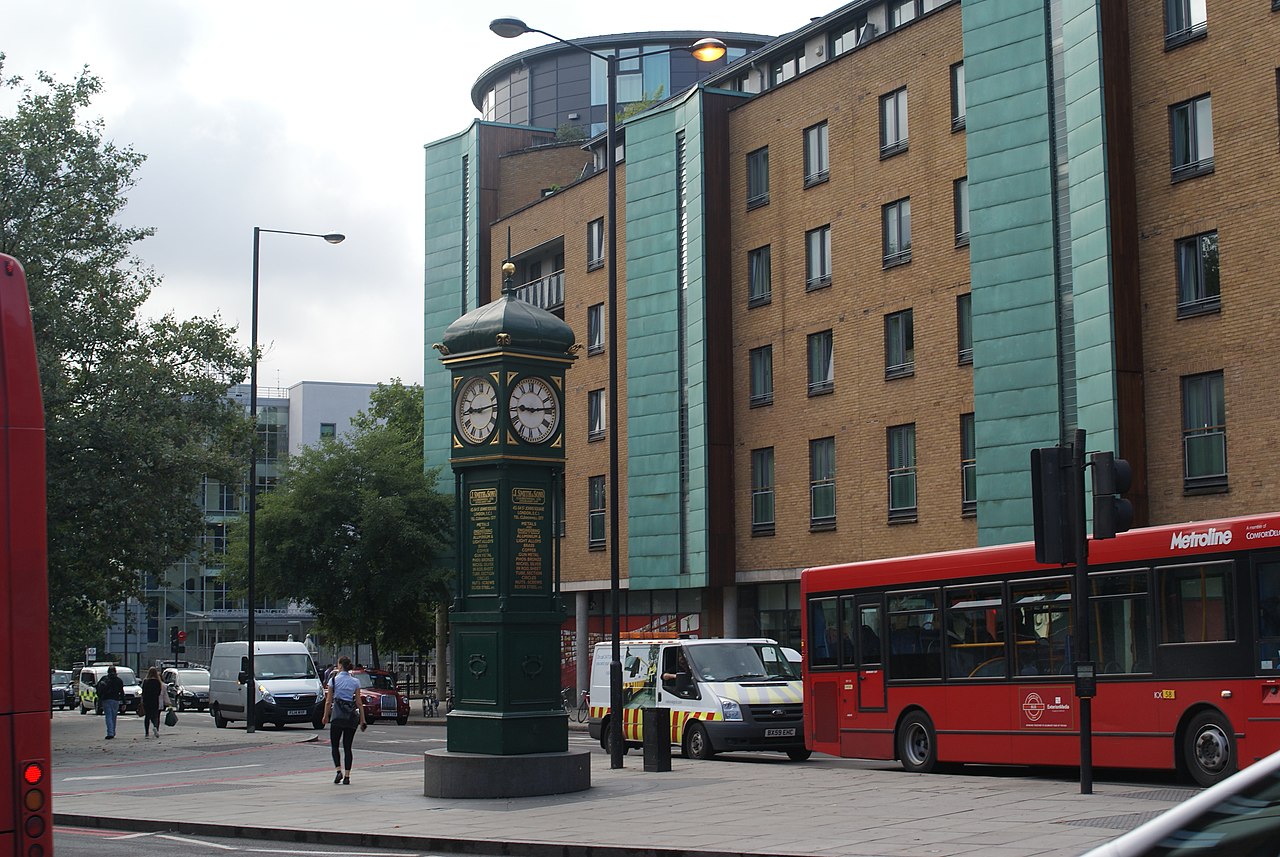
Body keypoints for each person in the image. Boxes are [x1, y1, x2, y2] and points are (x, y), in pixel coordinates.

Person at [322, 655, 366, 785]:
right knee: (348, 747)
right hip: (351, 717)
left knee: (335, 745)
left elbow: (328, 701)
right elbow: (358, 702)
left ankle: (338, 770)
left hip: (337, 716)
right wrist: (362, 719)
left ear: (340, 665)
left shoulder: (333, 681)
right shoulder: (355, 682)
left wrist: (325, 716)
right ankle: (347, 776)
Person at [95, 665, 125, 740]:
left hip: (106, 699)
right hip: (115, 700)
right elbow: (121, 692)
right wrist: (124, 702)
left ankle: (110, 732)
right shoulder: (119, 680)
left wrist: (100, 698)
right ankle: (112, 731)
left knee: (108, 716)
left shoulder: (104, 679)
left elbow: (98, 688)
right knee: (113, 716)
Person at [141, 666, 165, 739]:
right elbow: (158, 692)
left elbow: (143, 692)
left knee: (147, 717)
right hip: (155, 701)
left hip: (147, 701)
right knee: (155, 716)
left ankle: (147, 733)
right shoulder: (157, 682)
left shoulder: (145, 681)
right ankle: (155, 727)